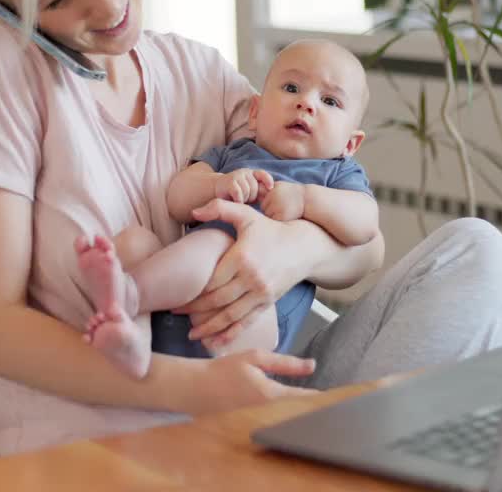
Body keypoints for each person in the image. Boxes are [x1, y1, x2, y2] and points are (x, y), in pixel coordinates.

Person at [0, 0, 502, 456]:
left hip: (252, 392)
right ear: (2, 7)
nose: (108, 5)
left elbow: (365, 250)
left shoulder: (196, 72)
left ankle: (359, 462)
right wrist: (191, 388)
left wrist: (290, 252)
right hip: (112, 444)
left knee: (483, 254)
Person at [76, 39, 379, 379]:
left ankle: (128, 294)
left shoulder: (335, 174)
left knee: (220, 243)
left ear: (351, 144)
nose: (305, 103)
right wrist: (217, 184)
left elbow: (365, 225)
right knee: (134, 243)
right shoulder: (232, 156)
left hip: (250, 322)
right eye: (292, 87)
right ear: (254, 112)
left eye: (329, 101)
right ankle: (131, 339)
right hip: (177, 301)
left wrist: (306, 199)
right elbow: (177, 199)